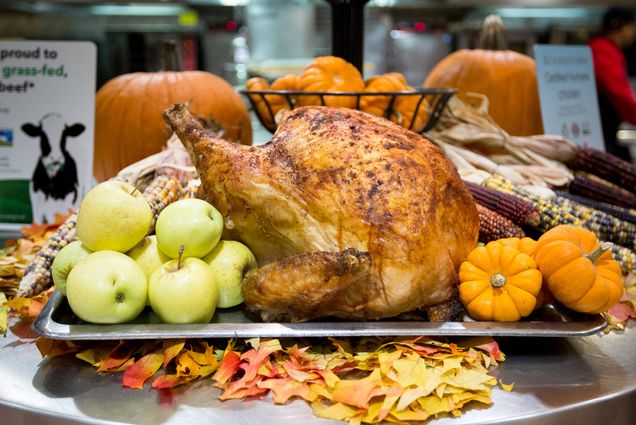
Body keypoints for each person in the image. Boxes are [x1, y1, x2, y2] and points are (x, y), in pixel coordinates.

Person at [589, 6, 636, 161]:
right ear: (624, 28)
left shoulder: (599, 47)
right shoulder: (604, 50)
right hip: (601, 130)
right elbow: (618, 93)